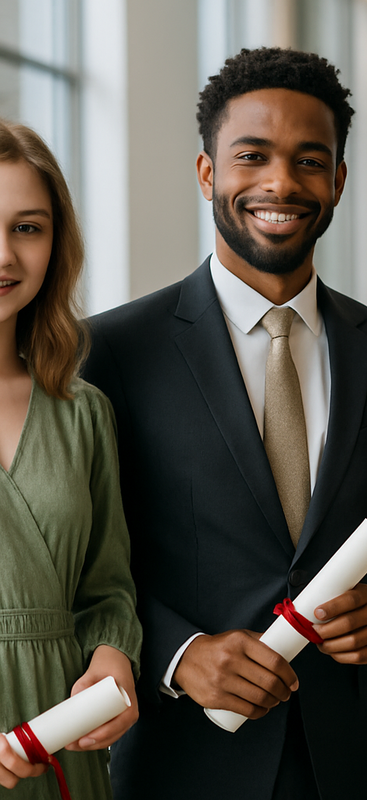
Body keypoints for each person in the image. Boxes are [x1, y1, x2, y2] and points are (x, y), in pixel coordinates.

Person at [82, 47, 367, 800]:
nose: (281, 182)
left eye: (310, 160)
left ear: (338, 180)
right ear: (208, 174)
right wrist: (176, 654)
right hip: (179, 759)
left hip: (342, 761)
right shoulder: (111, 352)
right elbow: (85, 559)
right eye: (253, 157)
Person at [0, 119, 141, 798]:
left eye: (27, 228)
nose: (3, 256)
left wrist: (113, 655)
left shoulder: (81, 411)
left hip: (61, 734)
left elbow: (106, 587)